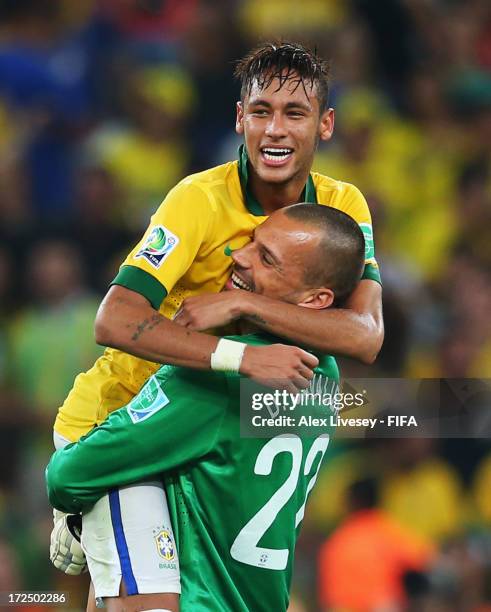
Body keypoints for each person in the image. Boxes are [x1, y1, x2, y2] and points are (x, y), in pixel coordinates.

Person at [50, 40, 383, 592]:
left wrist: (244, 303)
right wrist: (242, 356)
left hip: (208, 443)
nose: (275, 130)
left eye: (294, 113)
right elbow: (113, 320)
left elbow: (364, 336)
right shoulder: (197, 201)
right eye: (261, 112)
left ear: (325, 125)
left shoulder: (341, 208)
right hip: (125, 421)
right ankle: (83, 503)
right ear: (239, 120)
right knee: (153, 604)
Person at [47, 203, 367, 612]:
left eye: (267, 260)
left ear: (316, 298)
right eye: (253, 242)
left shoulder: (216, 377)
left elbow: (69, 475)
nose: (239, 257)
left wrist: (77, 517)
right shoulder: (326, 373)